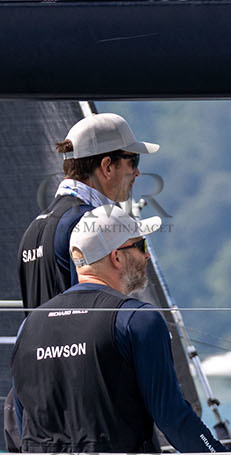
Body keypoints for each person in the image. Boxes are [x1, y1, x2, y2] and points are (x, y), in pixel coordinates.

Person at [11, 206, 231, 455]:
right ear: (117, 257)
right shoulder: (138, 319)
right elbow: (176, 421)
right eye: (141, 246)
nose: (147, 257)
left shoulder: (28, 327)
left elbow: (20, 419)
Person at [18, 113, 157, 310]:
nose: (137, 172)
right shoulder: (88, 223)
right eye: (133, 160)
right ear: (107, 166)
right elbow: (92, 315)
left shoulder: (32, 230)